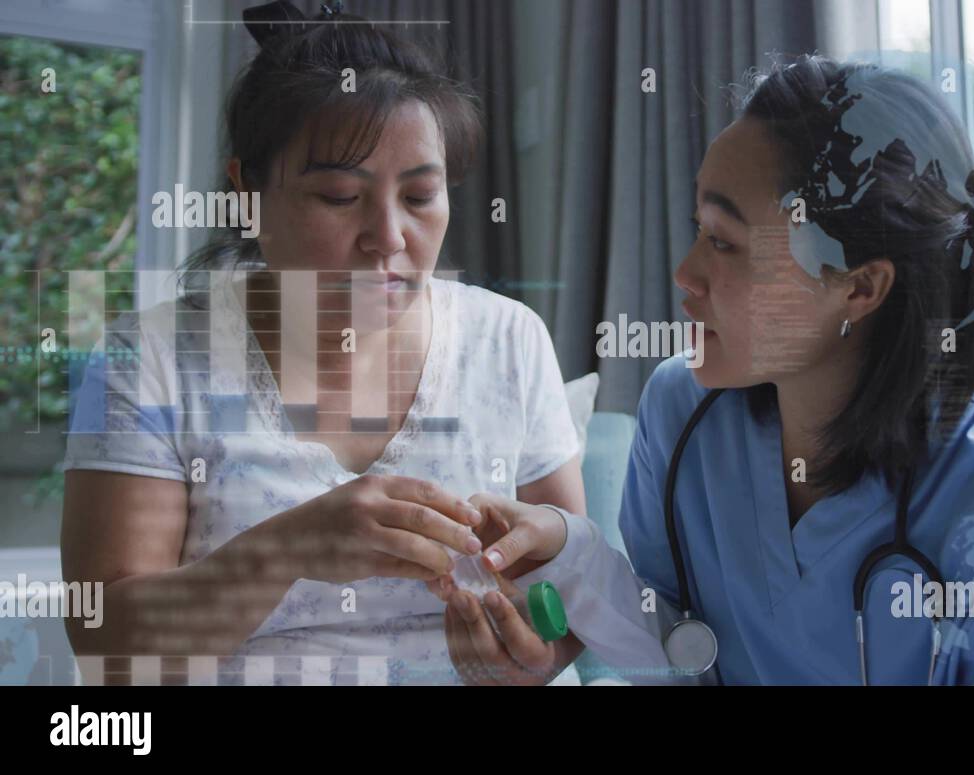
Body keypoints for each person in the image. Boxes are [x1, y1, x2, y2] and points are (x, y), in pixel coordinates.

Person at [433, 56, 974, 685]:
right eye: (699, 229)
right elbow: (673, 645)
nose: (685, 273)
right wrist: (571, 557)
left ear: (859, 287)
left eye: (725, 241)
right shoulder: (682, 414)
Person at [60, 1, 586, 684]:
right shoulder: (151, 361)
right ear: (247, 192)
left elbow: (576, 596)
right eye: (339, 197)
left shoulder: (509, 339)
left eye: (420, 197)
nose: (388, 238)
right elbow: (107, 650)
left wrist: (536, 656)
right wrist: (288, 548)